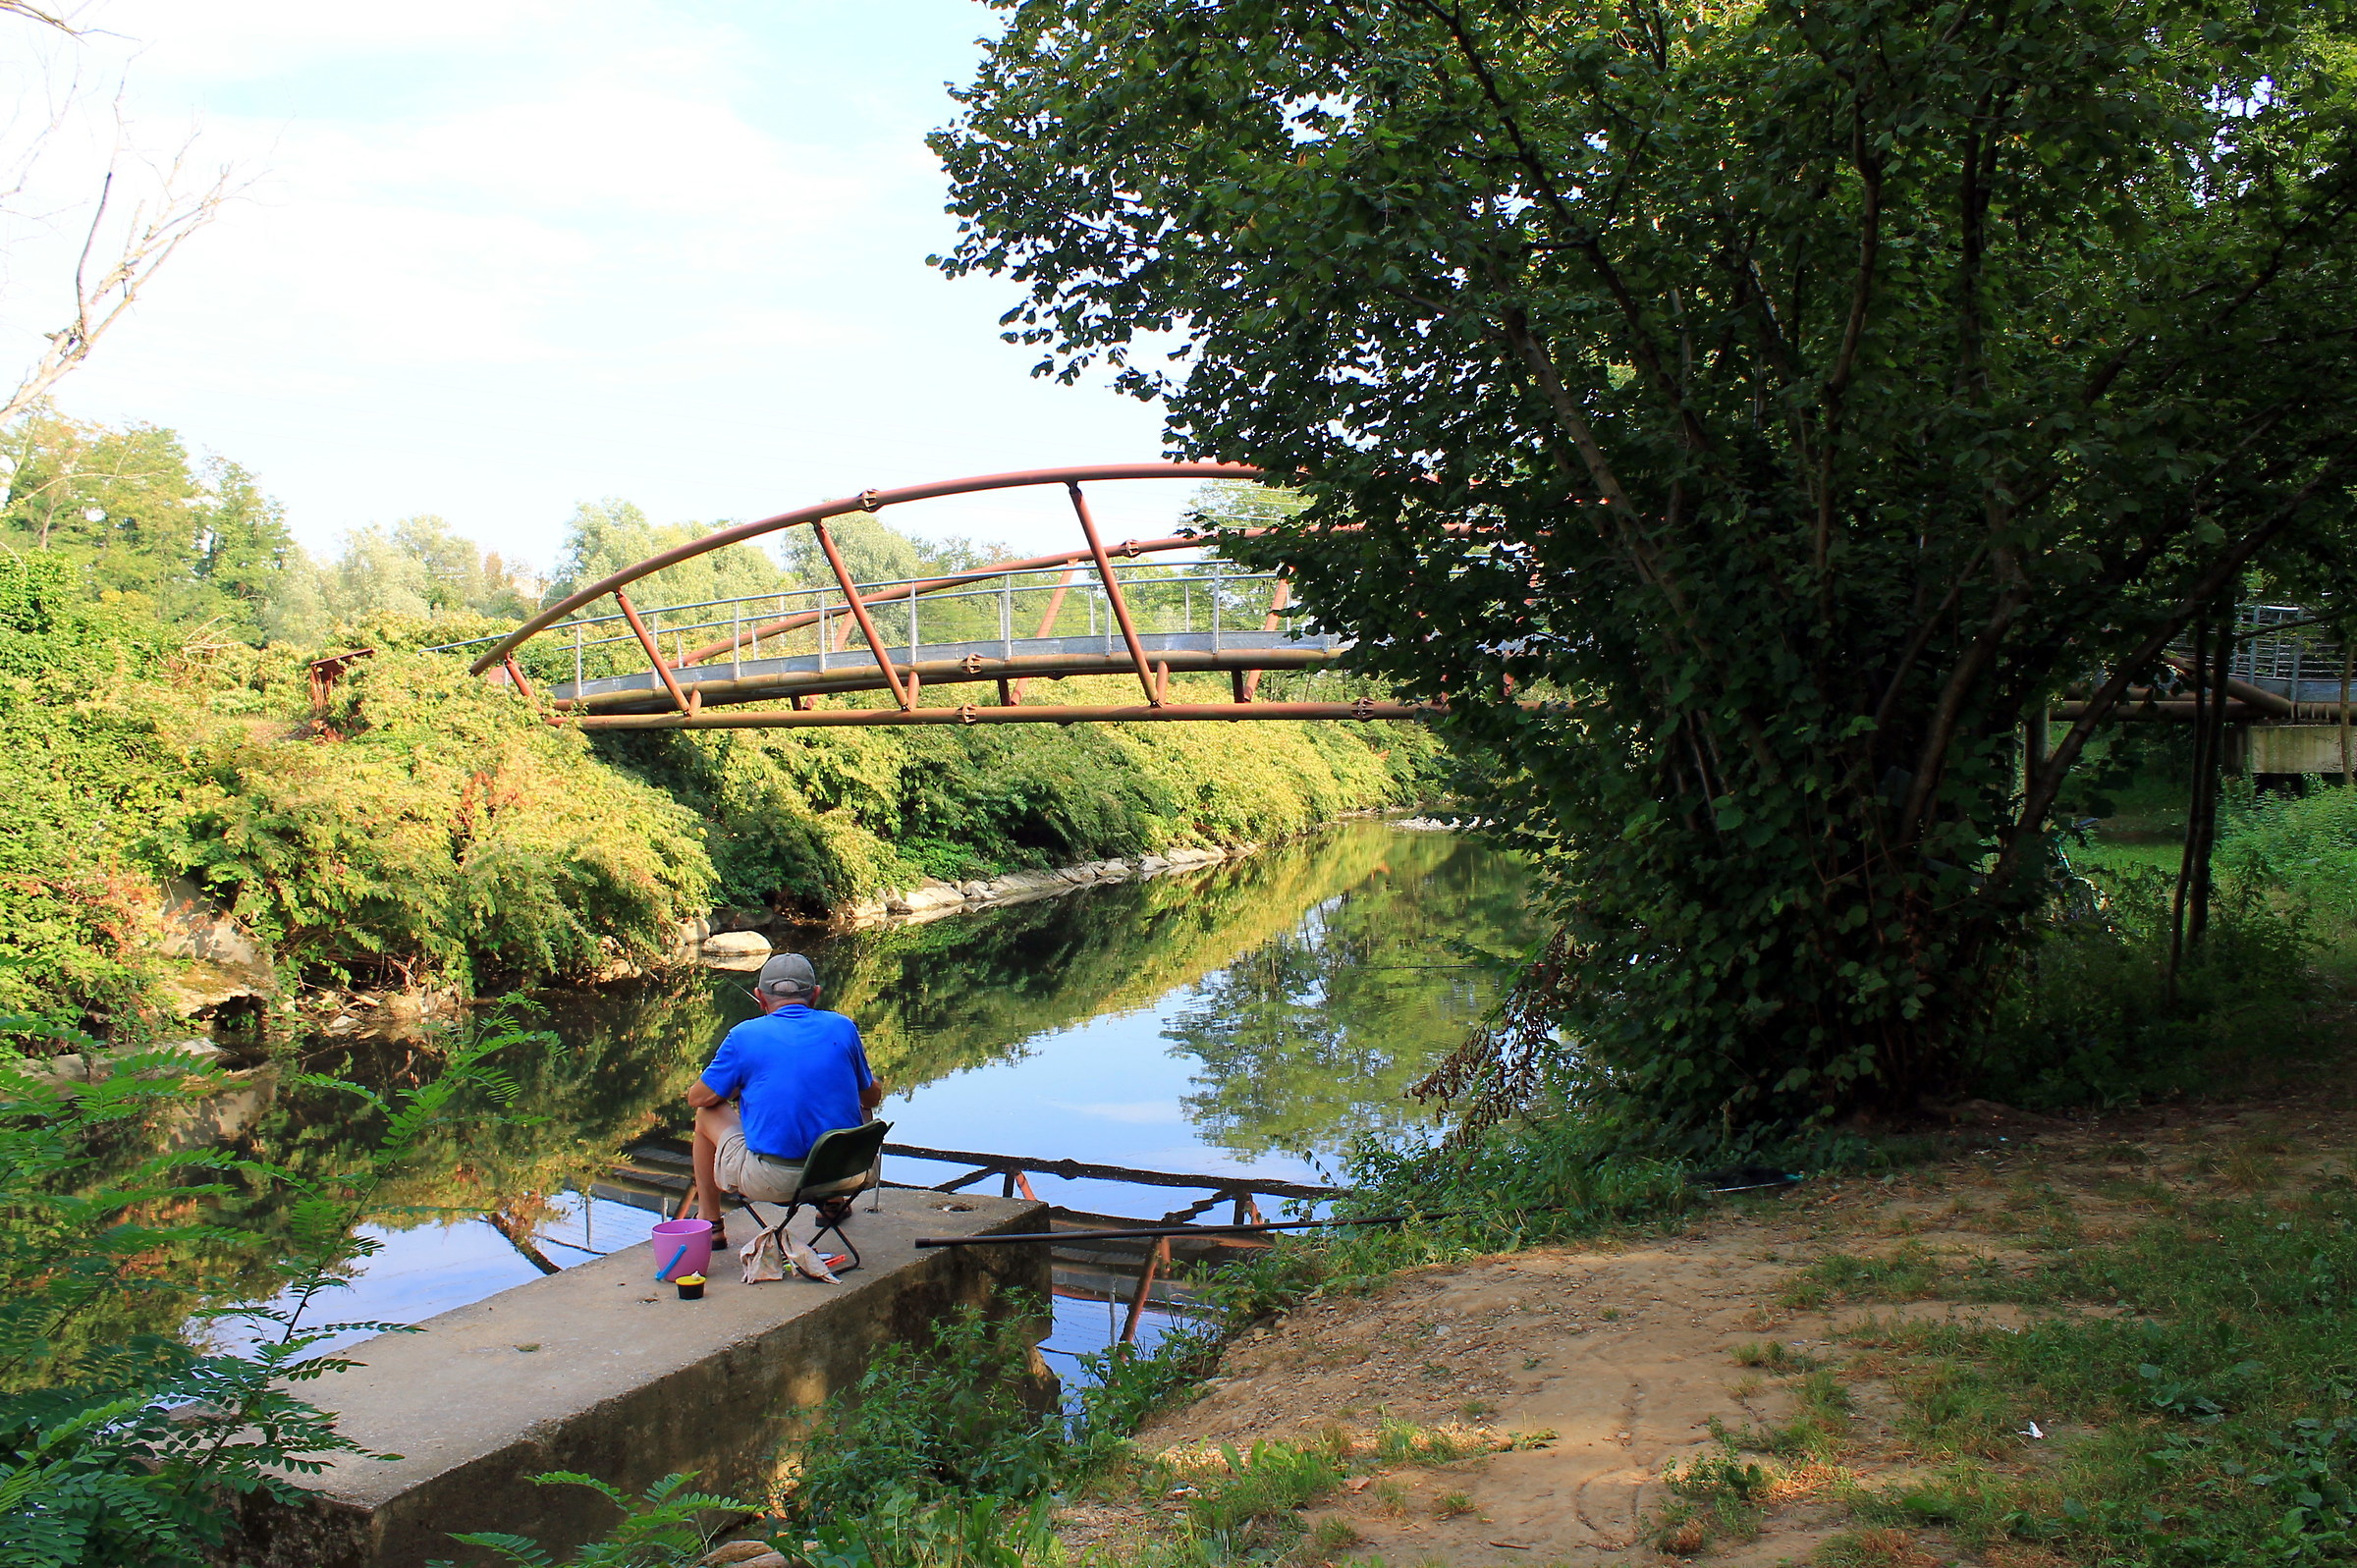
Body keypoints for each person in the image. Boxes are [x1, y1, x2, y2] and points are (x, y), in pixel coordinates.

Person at [689, 951, 883, 1239]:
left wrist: (740, 1087)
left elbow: (698, 1098)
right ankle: (832, 1204)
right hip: (850, 1173)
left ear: (760, 997)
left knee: (706, 1113)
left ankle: (711, 1221)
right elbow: (871, 1099)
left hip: (773, 1182)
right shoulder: (842, 1027)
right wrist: (869, 1080)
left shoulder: (743, 1035)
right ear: (815, 995)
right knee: (857, 1094)